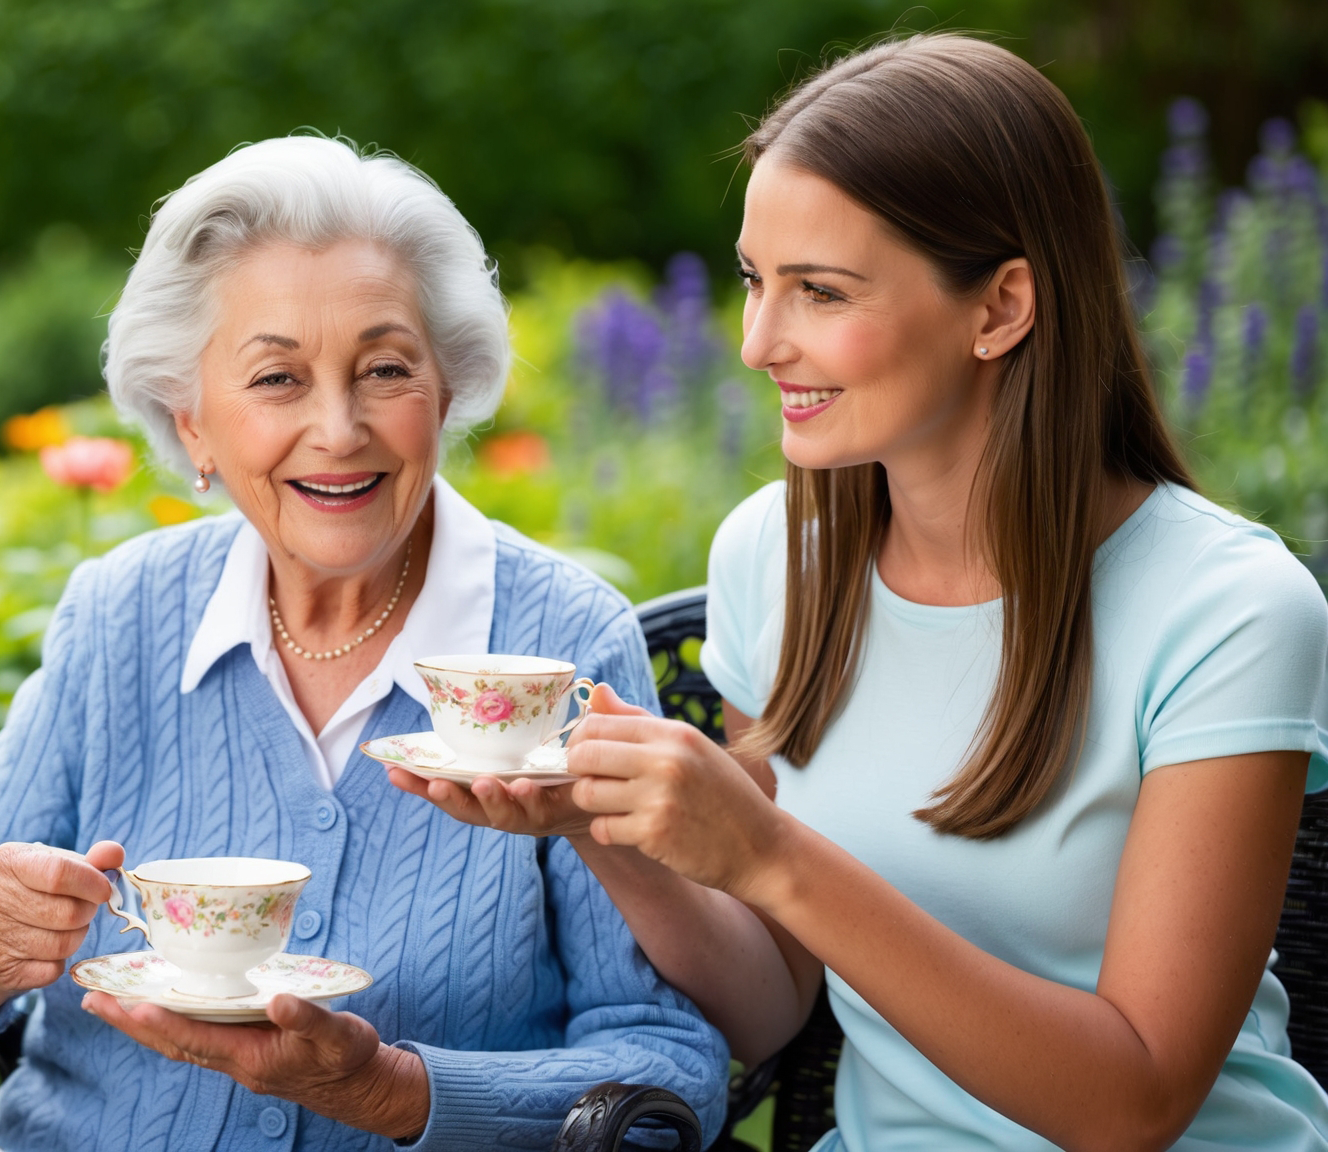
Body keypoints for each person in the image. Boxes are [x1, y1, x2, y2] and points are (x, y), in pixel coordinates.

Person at [393, 34, 1328, 1151]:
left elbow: (1135, 1103)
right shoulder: (774, 559)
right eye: (753, 281)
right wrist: (606, 832)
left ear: (1001, 308)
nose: (756, 344)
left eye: (820, 292)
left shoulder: (1226, 609)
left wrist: (772, 857)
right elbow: (772, 1001)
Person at [0, 135, 729, 1152]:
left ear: (448, 389)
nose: (337, 430)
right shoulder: (122, 617)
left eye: (384, 369)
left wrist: (393, 1093)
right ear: (192, 422)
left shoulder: (559, 636)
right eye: (278, 379)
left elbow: (669, 1069)